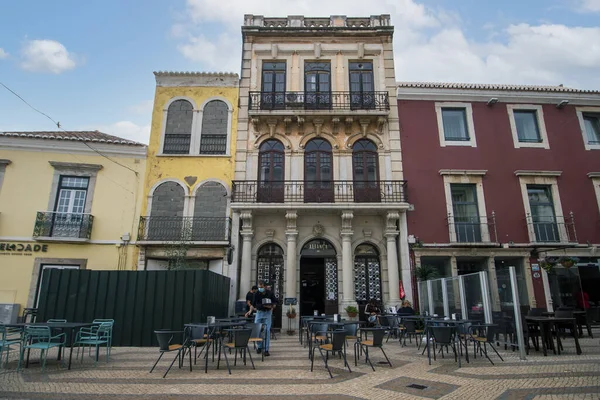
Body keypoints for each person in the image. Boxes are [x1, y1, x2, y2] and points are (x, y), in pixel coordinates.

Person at [251, 280, 277, 356]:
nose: (260, 288)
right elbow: (254, 304)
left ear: (265, 287)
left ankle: (266, 349)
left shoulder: (270, 293)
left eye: (261, 287)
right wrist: (251, 310)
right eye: (259, 287)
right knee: (258, 329)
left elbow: (275, 301)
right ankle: (259, 346)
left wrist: (273, 306)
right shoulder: (256, 294)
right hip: (259, 313)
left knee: (267, 330)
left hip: (268, 313)